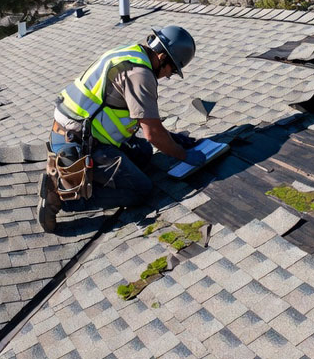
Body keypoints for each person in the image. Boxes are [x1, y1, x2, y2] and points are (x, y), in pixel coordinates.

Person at [38, 25, 206, 232]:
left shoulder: (131, 53)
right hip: (82, 145)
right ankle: (62, 197)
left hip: (69, 133)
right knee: (141, 190)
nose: (168, 76)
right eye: (171, 71)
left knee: (143, 153)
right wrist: (183, 155)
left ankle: (79, 178)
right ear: (163, 58)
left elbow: (141, 121)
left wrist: (171, 138)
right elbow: (152, 134)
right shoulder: (141, 75)